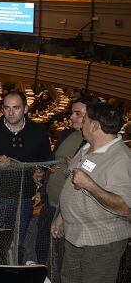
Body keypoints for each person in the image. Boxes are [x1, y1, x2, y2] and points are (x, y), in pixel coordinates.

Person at [52, 102, 131, 283]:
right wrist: (62, 217)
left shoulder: (122, 159)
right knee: (68, 279)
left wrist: (90, 185)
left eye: (85, 120)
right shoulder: (87, 147)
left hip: (101, 241)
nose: (81, 123)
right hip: (76, 234)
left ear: (95, 126)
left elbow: (125, 207)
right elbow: (73, 185)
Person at [0, 90, 51, 263]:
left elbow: (46, 161)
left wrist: (40, 171)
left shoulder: (38, 132)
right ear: (2, 109)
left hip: (23, 197)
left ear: (25, 109)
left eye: (16, 108)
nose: (10, 112)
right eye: (7, 108)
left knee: (17, 243)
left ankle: (13, 272)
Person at [34, 95, 98, 265]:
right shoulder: (67, 133)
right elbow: (52, 159)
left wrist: (76, 168)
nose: (71, 117)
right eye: (72, 113)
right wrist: (42, 172)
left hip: (68, 211)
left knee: (62, 258)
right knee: (41, 247)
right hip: (50, 203)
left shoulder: (94, 142)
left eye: (78, 114)